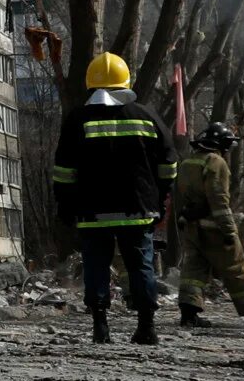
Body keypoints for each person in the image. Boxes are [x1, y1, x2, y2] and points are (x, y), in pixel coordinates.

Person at [53, 51, 175, 345]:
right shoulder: (147, 116)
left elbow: (63, 171)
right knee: (141, 266)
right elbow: (169, 164)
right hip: (138, 209)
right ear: (125, 82)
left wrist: (66, 206)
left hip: (92, 212)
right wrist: (160, 198)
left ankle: (100, 328)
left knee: (96, 266)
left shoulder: (77, 119)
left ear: (91, 84)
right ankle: (147, 327)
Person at [174, 122, 244, 330]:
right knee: (238, 269)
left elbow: (182, 196)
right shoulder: (216, 162)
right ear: (220, 143)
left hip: (191, 226)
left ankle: (188, 314)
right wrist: (229, 230)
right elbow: (219, 200)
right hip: (214, 228)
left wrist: (183, 218)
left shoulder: (188, 162)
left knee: (193, 270)